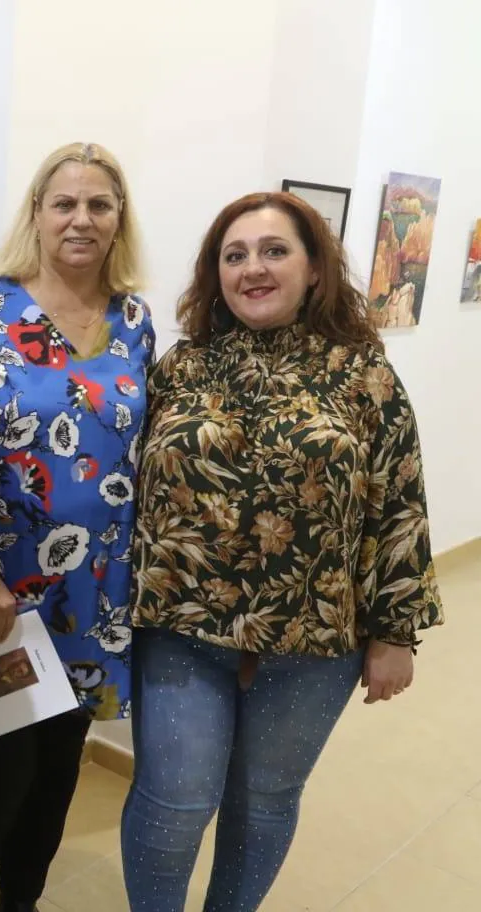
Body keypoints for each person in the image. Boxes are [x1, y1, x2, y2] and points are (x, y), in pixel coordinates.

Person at [120, 191, 445, 911]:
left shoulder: (364, 374)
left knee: (263, 804)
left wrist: (395, 633)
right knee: (174, 807)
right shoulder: (181, 367)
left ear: (313, 270)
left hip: (314, 640)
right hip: (180, 629)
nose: (253, 269)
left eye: (274, 251)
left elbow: (398, 502)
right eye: (234, 256)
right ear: (216, 275)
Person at [0, 141, 152, 912]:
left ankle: (22, 901)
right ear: (39, 216)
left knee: (58, 773)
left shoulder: (135, 324)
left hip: (98, 596)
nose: (81, 220)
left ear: (119, 220)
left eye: (99, 205)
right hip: (3, 596)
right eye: (65, 204)